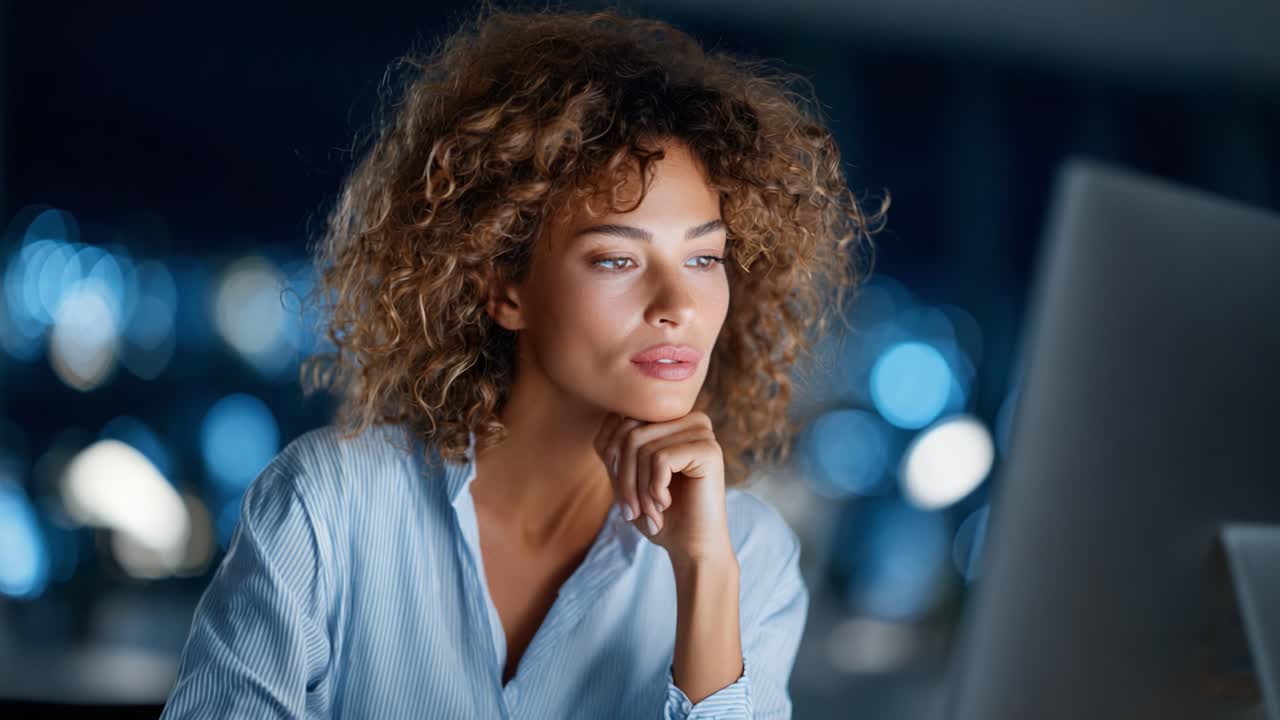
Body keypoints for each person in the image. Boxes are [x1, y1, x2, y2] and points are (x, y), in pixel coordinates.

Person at [160, 4, 887, 718]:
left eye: (703, 257)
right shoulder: (331, 508)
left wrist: (704, 576)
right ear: (504, 287)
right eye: (615, 258)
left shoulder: (747, 556)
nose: (678, 304)